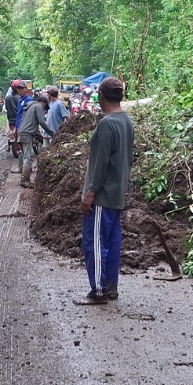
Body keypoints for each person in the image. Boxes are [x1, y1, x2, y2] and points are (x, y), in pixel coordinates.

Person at [78, 77, 133, 305]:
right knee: (112, 242)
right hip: (117, 194)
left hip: (102, 196)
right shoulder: (126, 121)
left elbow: (100, 164)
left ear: (101, 95)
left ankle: (98, 290)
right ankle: (111, 288)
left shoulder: (107, 124)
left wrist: (89, 194)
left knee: (96, 244)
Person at [17, 90, 49, 187]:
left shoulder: (29, 107)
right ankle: (24, 180)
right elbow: (42, 122)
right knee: (28, 157)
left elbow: (31, 124)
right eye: (45, 107)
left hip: (22, 132)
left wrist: (39, 136)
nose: (44, 109)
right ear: (43, 101)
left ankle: (24, 178)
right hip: (27, 134)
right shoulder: (38, 106)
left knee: (26, 156)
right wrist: (51, 132)